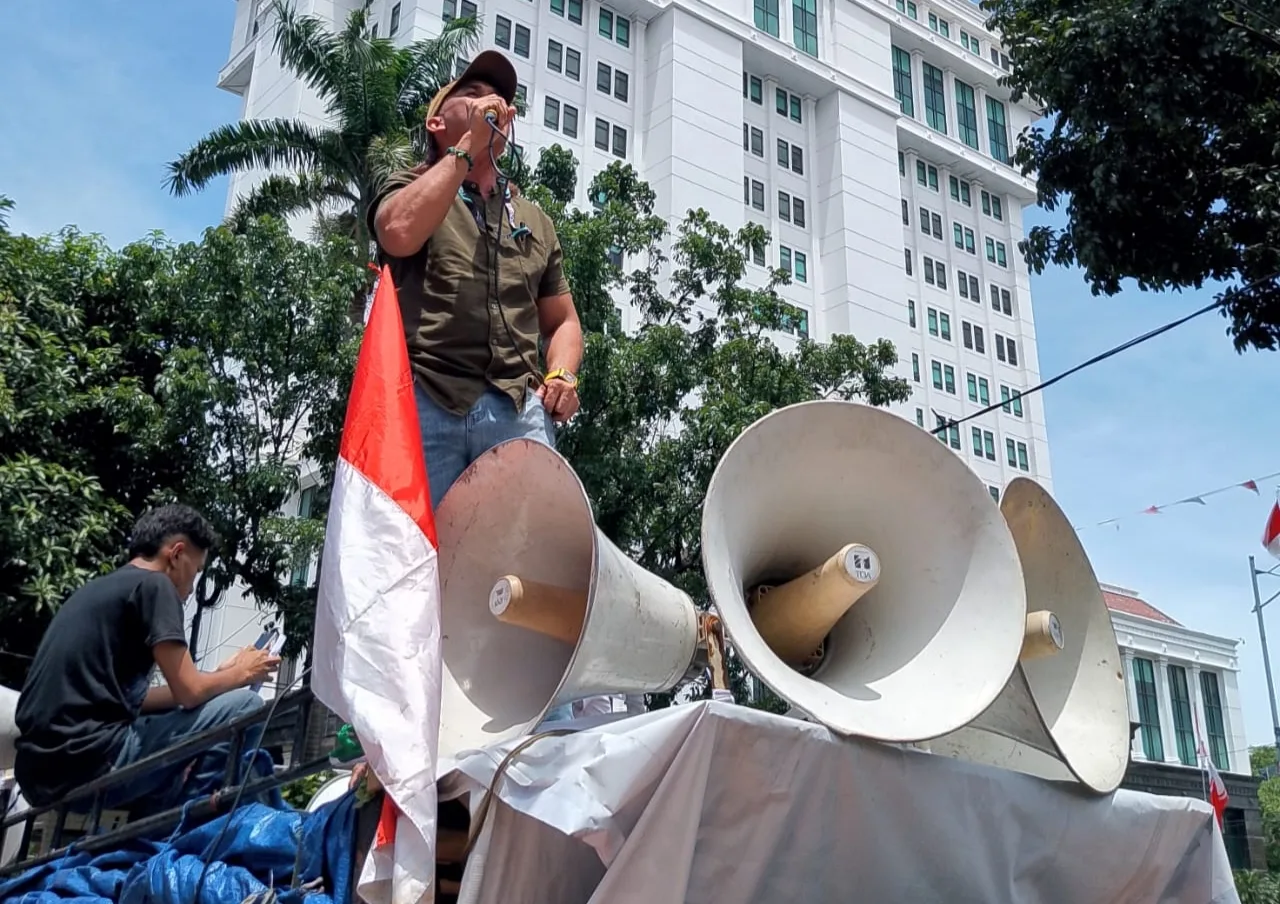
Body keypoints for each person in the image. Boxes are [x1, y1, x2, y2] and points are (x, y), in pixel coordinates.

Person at [366, 49, 585, 511]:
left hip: (515, 409)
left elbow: (563, 320)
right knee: (417, 562)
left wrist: (562, 374)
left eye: (499, 99)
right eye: (472, 94)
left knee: (524, 560)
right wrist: (467, 148)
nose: (491, 102)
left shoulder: (534, 219)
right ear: (436, 123)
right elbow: (398, 232)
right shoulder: (411, 184)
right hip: (425, 400)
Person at [14, 504, 280, 813]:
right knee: (246, 707)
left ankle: (153, 831)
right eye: (195, 571)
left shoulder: (99, 590)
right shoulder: (156, 585)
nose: (191, 588)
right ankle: (189, 828)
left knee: (190, 715)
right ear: (176, 554)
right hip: (94, 762)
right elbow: (190, 692)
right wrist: (242, 674)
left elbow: (140, 701)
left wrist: (218, 677)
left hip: (39, 775)